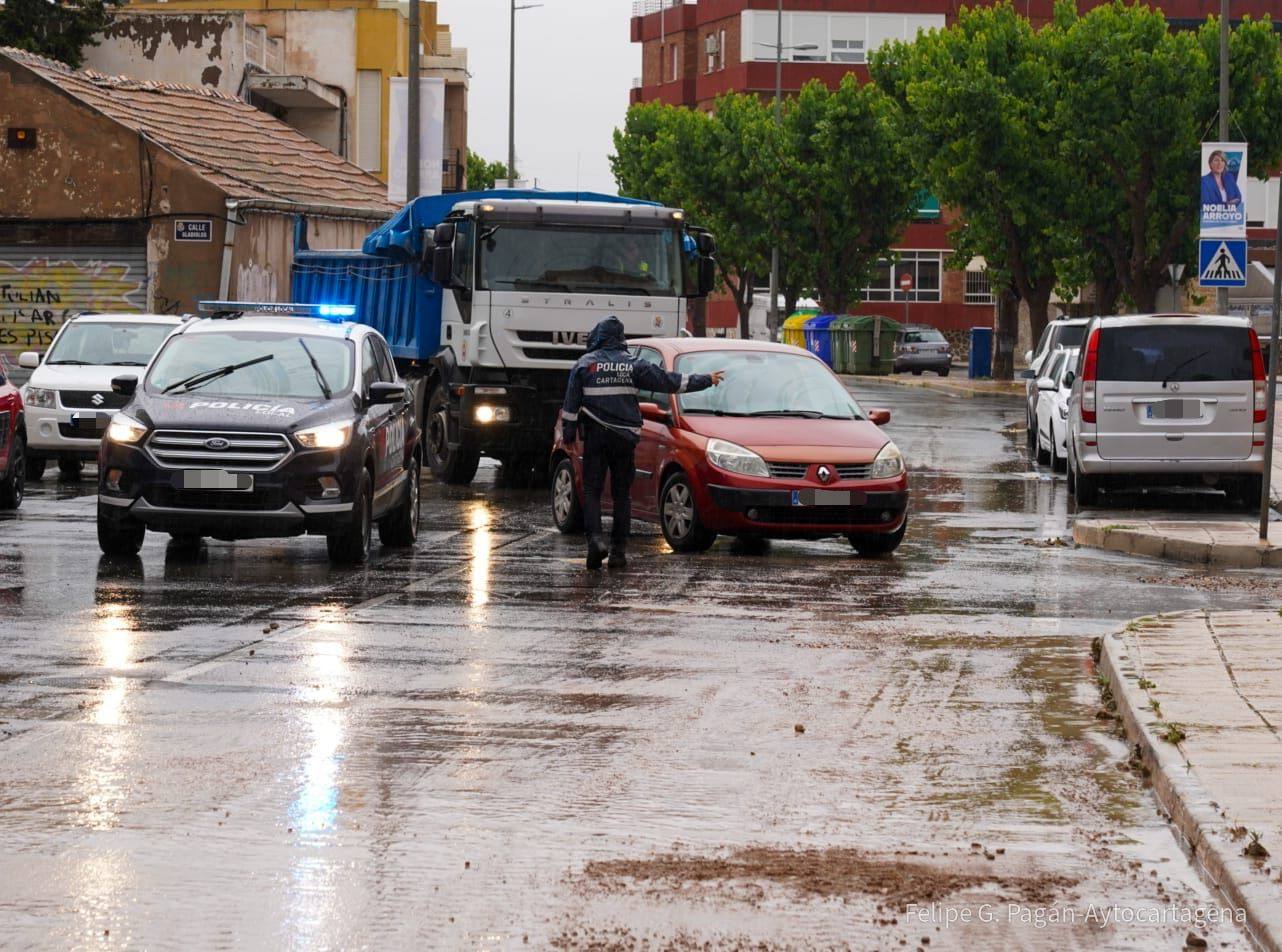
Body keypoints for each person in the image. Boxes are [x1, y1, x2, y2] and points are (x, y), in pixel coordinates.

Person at [560, 316, 723, 570]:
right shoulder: (634, 365)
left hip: (595, 436)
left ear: (599, 336)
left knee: (592, 491)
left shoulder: (585, 365)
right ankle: (618, 552)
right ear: (620, 338)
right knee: (621, 495)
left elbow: (570, 408)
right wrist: (706, 379)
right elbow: (671, 381)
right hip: (624, 439)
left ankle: (595, 542)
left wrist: (569, 437)